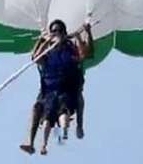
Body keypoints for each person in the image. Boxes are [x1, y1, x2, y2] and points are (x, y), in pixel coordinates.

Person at [19, 19, 94, 155]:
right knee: (38, 108)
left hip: (68, 89)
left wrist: (84, 33)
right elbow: (35, 58)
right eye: (53, 31)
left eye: (59, 30)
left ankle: (76, 127)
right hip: (48, 92)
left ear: (64, 33)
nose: (56, 33)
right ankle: (31, 142)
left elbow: (86, 54)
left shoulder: (71, 48)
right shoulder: (47, 51)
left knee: (64, 107)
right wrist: (45, 40)